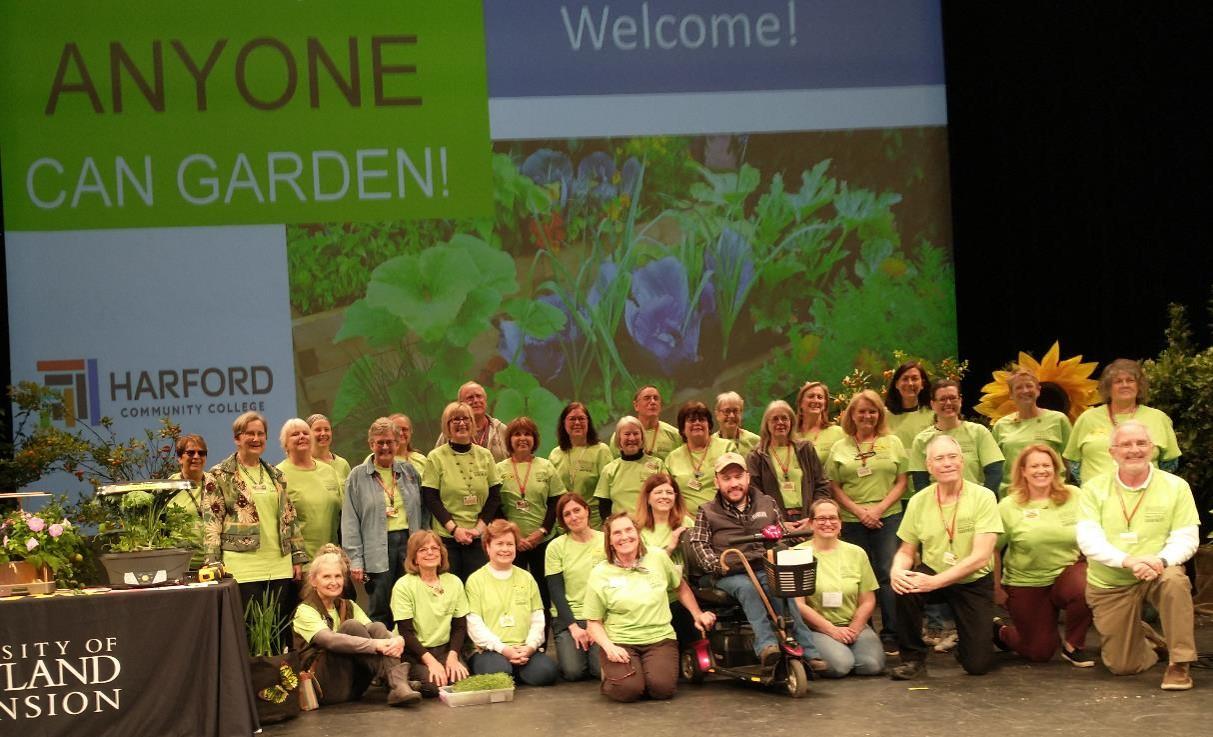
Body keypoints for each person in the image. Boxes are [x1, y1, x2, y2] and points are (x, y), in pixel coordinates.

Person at [1077, 421, 1199, 690]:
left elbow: (1186, 538)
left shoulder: (1176, 487)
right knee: (1123, 666)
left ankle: (1179, 663)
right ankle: (1150, 639)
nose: (1134, 450)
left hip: (1158, 571)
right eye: (1126, 444)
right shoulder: (1093, 489)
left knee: (1174, 581)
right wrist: (1129, 561)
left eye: (1141, 443)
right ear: (1112, 452)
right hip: (1111, 582)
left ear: (1152, 449)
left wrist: (1160, 561)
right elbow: (1089, 540)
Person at [687, 452, 826, 670]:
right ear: (717, 482)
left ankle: (809, 651)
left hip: (763, 566)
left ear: (747, 477)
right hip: (727, 573)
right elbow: (699, 545)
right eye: (727, 478)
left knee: (782, 589)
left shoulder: (767, 503)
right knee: (747, 588)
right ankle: (766, 646)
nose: (734, 484)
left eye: (738, 477)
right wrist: (717, 564)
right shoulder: (707, 511)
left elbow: (781, 536)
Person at [888, 434, 1003, 680]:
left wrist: (935, 582)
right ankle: (913, 659)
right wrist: (897, 570)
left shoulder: (983, 497)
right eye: (939, 458)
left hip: (971, 579)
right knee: (904, 585)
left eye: (952, 457)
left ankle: (985, 630)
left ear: (962, 461)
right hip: (935, 569)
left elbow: (981, 557)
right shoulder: (919, 501)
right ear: (929, 466)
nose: (947, 463)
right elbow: (907, 550)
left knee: (977, 666)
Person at [584, 512, 715, 702]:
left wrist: (697, 614)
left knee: (662, 689)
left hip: (659, 638)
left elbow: (680, 587)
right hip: (621, 641)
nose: (624, 537)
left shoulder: (658, 557)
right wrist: (609, 647)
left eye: (629, 530)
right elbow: (593, 622)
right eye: (617, 533)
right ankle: (616, 680)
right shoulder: (600, 573)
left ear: (637, 533)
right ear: (610, 541)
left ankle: (639, 678)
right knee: (629, 691)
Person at [205, 411, 306, 653]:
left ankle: (273, 687)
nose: (256, 438)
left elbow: (289, 517)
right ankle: (251, 685)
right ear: (237, 438)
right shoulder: (219, 475)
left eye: (260, 434)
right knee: (250, 632)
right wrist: (213, 562)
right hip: (242, 566)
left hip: (279, 563)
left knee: (276, 633)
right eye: (249, 433)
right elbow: (212, 521)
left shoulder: (276, 475)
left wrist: (297, 556)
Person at [824, 390, 908, 655]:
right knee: (858, 577)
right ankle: (864, 628)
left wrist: (879, 509)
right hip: (851, 519)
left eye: (872, 411)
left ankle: (892, 632)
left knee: (886, 573)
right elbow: (833, 486)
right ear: (852, 414)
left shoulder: (893, 442)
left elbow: (902, 481)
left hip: (889, 516)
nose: (867, 416)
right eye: (861, 411)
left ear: (879, 414)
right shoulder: (840, 446)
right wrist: (859, 511)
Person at [993, 444, 1093, 666]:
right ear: (1023, 471)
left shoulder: (1075, 496)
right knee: (1039, 652)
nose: (1041, 470)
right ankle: (1001, 632)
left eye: (1046, 465)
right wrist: (996, 587)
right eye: (1034, 466)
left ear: (1056, 469)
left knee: (1088, 585)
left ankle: (1073, 645)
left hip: (1067, 573)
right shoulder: (1008, 506)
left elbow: (1094, 532)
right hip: (1026, 581)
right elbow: (993, 549)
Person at [292, 544, 420, 706]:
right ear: (313, 581)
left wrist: (396, 639)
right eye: (326, 577)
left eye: (338, 576)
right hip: (325, 688)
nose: (334, 582)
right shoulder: (305, 610)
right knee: (351, 627)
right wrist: (377, 644)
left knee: (377, 627)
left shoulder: (349, 605)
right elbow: (330, 640)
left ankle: (397, 685)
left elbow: (376, 632)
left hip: (354, 686)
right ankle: (397, 681)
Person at [342, 418, 429, 627]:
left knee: (411, 603)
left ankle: (410, 652)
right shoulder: (357, 476)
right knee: (380, 608)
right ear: (371, 444)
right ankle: (382, 654)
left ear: (398, 443)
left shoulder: (409, 472)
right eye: (379, 442)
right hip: (376, 548)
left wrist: (424, 542)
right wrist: (355, 559)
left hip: (410, 545)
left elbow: (424, 509)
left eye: (389, 442)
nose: (384, 447)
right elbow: (350, 520)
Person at [793, 499, 887, 677]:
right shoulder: (797, 555)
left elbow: (868, 600)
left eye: (833, 518)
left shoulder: (857, 553)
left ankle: (845, 650)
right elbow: (799, 605)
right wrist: (831, 630)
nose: (828, 523)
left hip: (853, 626)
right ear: (811, 524)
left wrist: (854, 628)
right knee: (841, 666)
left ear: (840, 523)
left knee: (871, 666)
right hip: (816, 628)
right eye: (821, 519)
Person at [464, 520, 559, 686]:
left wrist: (530, 647)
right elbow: (474, 625)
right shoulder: (475, 580)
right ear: (487, 546)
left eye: (510, 544)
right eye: (499, 544)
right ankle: (511, 669)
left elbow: (538, 619)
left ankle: (516, 666)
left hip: (524, 647)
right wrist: (504, 650)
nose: (505, 549)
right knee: (499, 671)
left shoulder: (527, 578)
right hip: (490, 650)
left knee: (547, 673)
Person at [1063, 359, 1180, 485]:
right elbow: (1073, 461)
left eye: (1130, 380)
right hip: (1096, 500)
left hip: (1145, 498)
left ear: (1139, 386)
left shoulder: (1158, 418)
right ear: (1108, 387)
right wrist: (1091, 486)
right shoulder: (1087, 418)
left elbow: (1169, 464)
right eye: (1118, 381)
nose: (1125, 385)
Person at [421, 402, 502, 580]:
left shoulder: (485, 455)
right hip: (447, 539)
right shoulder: (435, 457)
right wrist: (454, 530)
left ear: (473, 424)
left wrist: (479, 529)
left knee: (478, 590)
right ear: (446, 426)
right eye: (455, 419)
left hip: (478, 537)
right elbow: (431, 497)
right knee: (450, 590)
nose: (461, 423)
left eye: (466, 418)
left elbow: (495, 496)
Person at [498, 416, 565, 621]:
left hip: (542, 541)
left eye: (527, 434)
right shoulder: (499, 469)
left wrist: (542, 531)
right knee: (512, 592)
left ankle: (542, 641)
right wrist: (513, 535)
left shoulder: (546, 467)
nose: (522, 438)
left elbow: (556, 502)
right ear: (509, 439)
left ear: (534, 439)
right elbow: (495, 505)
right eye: (517, 434)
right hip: (510, 544)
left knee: (542, 592)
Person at [390, 531, 470, 696]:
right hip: (413, 652)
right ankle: (397, 679)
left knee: (459, 682)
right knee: (434, 687)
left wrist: (453, 657)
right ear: (414, 558)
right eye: (422, 550)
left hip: (444, 649)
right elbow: (406, 632)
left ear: (441, 554)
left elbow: (460, 626)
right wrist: (431, 662)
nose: (430, 552)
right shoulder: (403, 586)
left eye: (435, 548)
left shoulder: (454, 582)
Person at [544, 494, 606, 681]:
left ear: (587, 510)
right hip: (569, 618)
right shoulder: (556, 547)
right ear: (562, 520)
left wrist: (597, 623)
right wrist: (574, 627)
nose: (574, 517)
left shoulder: (606, 540)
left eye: (577, 510)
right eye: (567, 514)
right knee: (574, 672)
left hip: (600, 617)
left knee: (599, 670)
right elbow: (555, 590)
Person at [746, 400, 829, 531]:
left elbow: (822, 485)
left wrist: (814, 517)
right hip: (775, 523)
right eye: (775, 419)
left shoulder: (806, 449)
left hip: (809, 520)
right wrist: (778, 522)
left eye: (785, 418)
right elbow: (755, 495)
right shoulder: (756, 456)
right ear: (766, 424)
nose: (780, 423)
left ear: (791, 422)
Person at [635, 472, 698, 644]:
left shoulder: (687, 523)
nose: (665, 497)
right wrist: (670, 547)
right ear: (648, 498)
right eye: (658, 492)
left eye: (669, 492)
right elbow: (643, 569)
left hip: (685, 596)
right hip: (655, 599)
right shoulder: (638, 530)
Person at [909, 379, 1004, 493]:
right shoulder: (921, 440)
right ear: (933, 404)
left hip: (975, 503)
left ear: (960, 401)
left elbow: (995, 472)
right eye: (942, 399)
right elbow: (920, 482)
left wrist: (982, 500)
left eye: (953, 398)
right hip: (938, 504)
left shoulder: (979, 432)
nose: (948, 403)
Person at [990, 370, 1072, 496]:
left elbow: (1069, 460)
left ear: (1038, 390)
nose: (1025, 391)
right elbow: (996, 467)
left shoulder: (1058, 420)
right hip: (1013, 497)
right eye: (1018, 387)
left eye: (1029, 386)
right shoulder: (1001, 426)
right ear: (1011, 394)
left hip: (1052, 495)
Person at [277, 418, 342, 569]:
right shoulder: (278, 474)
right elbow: (281, 523)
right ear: (285, 444)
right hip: (302, 565)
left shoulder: (329, 471)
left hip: (332, 560)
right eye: (294, 434)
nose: (301, 436)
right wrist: (295, 558)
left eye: (305, 433)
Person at [549, 402, 614, 530]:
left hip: (594, 524)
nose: (577, 423)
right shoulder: (555, 454)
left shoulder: (601, 451)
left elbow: (609, 491)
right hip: (565, 525)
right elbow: (552, 494)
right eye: (572, 419)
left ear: (588, 422)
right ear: (564, 423)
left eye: (581, 418)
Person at [594, 415, 665, 521]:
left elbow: (666, 497)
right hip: (622, 530)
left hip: (652, 526)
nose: (632, 438)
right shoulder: (609, 470)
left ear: (642, 437)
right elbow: (604, 506)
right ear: (618, 439)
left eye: (636, 433)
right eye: (627, 434)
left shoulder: (658, 465)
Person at [664, 401, 730, 513]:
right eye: (692, 420)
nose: (697, 423)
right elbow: (667, 493)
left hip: (723, 516)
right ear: (682, 429)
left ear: (709, 426)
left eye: (702, 419)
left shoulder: (726, 447)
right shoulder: (672, 458)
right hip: (685, 520)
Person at [168, 434, 214, 569]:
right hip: (179, 564)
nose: (196, 457)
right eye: (190, 453)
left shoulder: (217, 483)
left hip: (213, 563)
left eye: (201, 453)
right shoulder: (168, 488)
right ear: (179, 458)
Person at [434, 381, 509, 461]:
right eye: (470, 398)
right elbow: (437, 460)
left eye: (479, 396)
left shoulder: (501, 429)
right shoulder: (451, 431)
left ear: (485, 401)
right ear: (461, 404)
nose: (476, 401)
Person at [608, 385, 681, 460]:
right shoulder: (620, 436)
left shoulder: (674, 434)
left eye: (656, 398)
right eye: (647, 398)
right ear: (636, 405)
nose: (653, 402)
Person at [885, 360, 934, 451]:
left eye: (914, 379)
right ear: (896, 384)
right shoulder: (885, 416)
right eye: (905, 379)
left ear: (922, 384)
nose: (910, 383)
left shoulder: (933, 415)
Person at [793, 381, 845, 464]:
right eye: (811, 396)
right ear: (801, 403)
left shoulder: (839, 433)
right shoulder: (790, 436)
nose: (815, 400)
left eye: (820, 397)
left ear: (825, 404)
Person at [308, 413, 352, 489]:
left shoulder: (343, 464)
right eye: (318, 430)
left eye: (326, 429)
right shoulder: (305, 465)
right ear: (308, 434)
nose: (323, 433)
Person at [712, 391, 761, 456]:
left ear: (741, 413)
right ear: (717, 414)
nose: (732, 416)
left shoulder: (755, 441)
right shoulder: (710, 443)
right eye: (727, 411)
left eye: (735, 411)